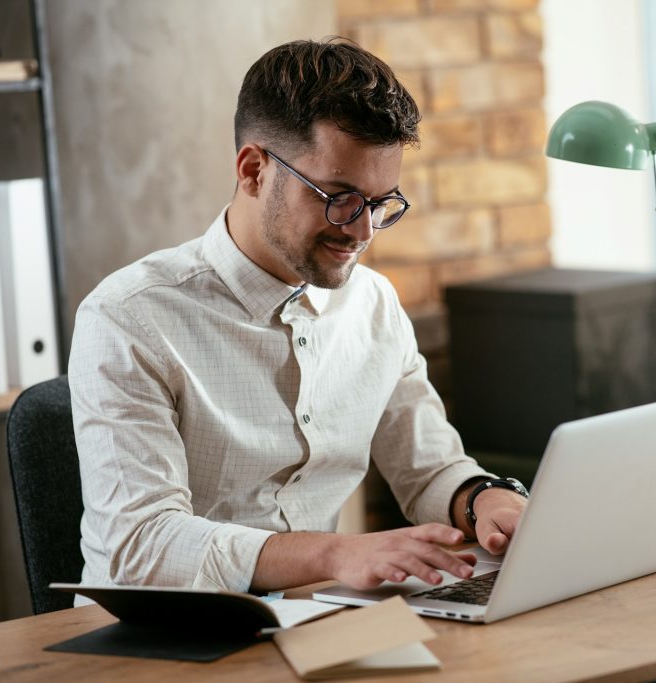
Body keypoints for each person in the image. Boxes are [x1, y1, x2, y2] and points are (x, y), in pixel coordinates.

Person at [68, 38, 529, 596]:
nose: (361, 233)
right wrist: (335, 553)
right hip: (156, 644)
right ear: (254, 170)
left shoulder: (372, 304)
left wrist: (483, 500)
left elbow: (428, 469)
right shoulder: (129, 317)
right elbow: (139, 546)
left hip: (309, 619)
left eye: (382, 204)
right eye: (339, 197)